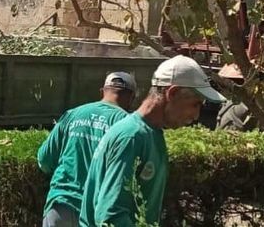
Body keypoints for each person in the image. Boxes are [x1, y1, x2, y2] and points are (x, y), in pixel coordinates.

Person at [79, 55, 226, 227]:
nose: (196, 116)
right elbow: (111, 216)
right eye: (195, 104)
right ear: (172, 93)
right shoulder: (132, 137)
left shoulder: (151, 134)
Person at [37, 72, 138, 227]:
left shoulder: (73, 114)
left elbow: (44, 160)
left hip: (60, 205)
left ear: (102, 91)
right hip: (95, 213)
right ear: (132, 98)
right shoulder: (128, 125)